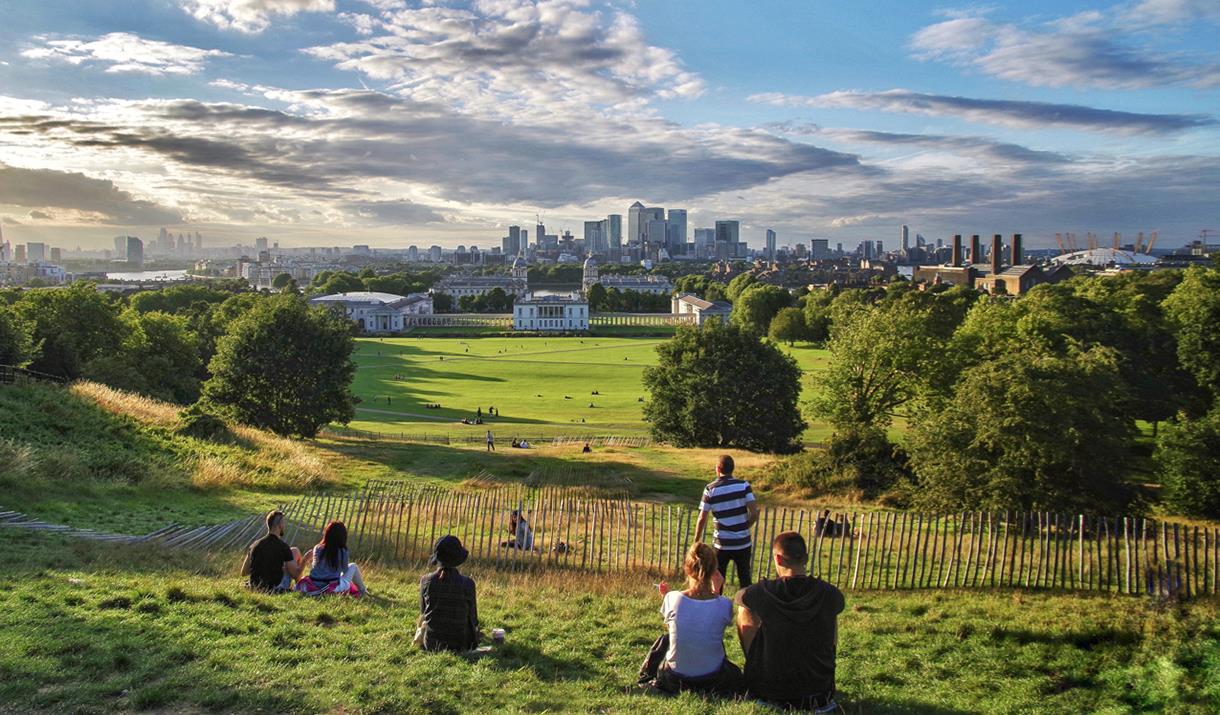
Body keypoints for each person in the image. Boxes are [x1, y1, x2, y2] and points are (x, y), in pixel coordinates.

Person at [735, 531, 845, 712]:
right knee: (830, 612)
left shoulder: (760, 593)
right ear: (806, 558)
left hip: (770, 692)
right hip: (819, 693)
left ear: (778, 559)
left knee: (744, 609)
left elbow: (741, 596)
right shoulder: (829, 593)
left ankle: (756, 666)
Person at [637, 543, 743, 696]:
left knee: (665, 639)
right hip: (713, 679)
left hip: (674, 678)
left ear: (687, 569)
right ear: (714, 570)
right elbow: (708, 622)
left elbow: (679, 631)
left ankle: (645, 676)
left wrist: (666, 596)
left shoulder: (672, 598)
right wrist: (717, 590)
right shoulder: (724, 604)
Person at [694, 455, 760, 592]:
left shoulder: (710, 489)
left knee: (717, 579)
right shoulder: (743, 486)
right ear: (732, 468)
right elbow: (754, 512)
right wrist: (746, 526)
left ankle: (717, 606)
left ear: (718, 469)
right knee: (745, 578)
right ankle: (747, 609)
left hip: (721, 544)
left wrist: (696, 540)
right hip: (743, 542)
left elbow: (702, 517)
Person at [417, 535, 480, 652]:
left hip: (432, 643)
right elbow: (473, 619)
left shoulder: (425, 581)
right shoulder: (468, 583)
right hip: (462, 643)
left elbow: (424, 613)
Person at [295, 521, 368, 597]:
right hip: (331, 586)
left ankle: (363, 590)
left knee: (337, 575)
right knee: (353, 566)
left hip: (313, 583)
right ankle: (363, 591)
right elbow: (345, 570)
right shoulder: (342, 551)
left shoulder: (318, 548)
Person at [240, 509, 303, 592]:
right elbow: (295, 575)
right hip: (275, 587)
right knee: (295, 552)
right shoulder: (283, 547)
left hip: (255, 586)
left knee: (292, 553)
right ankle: (299, 587)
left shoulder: (254, 545)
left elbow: (244, 572)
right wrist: (304, 561)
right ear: (280, 525)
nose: (284, 526)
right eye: (283, 523)